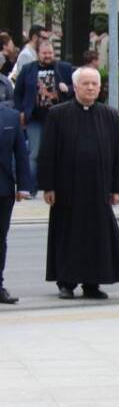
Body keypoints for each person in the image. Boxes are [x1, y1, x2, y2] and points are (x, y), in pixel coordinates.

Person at [38, 67, 119, 300]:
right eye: (86, 83)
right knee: (68, 234)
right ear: (75, 86)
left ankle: (92, 283)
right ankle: (66, 282)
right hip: (67, 190)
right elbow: (47, 152)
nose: (90, 87)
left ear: (100, 88)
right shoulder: (59, 114)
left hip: (99, 188)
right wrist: (48, 186)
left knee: (97, 236)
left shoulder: (109, 115)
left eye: (94, 84)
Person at [13, 39, 74, 185]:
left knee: (60, 152)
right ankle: (29, 187)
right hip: (35, 118)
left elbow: (78, 85)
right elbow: (18, 92)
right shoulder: (28, 69)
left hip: (59, 118)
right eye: (44, 53)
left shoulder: (64, 68)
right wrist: (20, 111)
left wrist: (68, 88)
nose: (48, 56)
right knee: (34, 153)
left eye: (50, 53)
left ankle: (59, 185)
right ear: (38, 54)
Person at [0, 101, 34, 304]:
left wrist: (23, 185)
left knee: (0, 240)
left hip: (3, 189)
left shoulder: (11, 117)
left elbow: (21, 154)